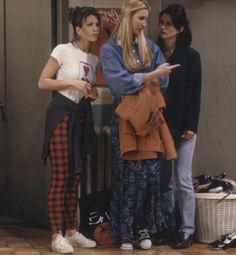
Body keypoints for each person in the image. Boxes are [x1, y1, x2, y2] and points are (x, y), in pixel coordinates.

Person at [100, 0, 179, 250]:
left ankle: (143, 227)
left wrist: (145, 80)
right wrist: (149, 77)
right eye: (141, 18)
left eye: (146, 19)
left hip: (151, 117)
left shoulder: (150, 47)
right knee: (127, 174)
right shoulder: (110, 49)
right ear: (128, 17)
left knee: (151, 176)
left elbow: (162, 84)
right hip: (125, 117)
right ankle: (124, 231)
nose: (146, 24)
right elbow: (117, 83)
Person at [38, 6, 101, 254]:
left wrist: (92, 93)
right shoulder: (62, 50)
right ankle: (56, 235)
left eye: (97, 24)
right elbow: (43, 82)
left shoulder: (94, 59)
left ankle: (72, 231)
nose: (95, 28)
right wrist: (72, 82)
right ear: (78, 28)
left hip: (81, 117)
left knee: (75, 177)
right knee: (60, 177)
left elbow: (85, 90)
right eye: (90, 24)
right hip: (61, 115)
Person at [156, 3, 202, 249]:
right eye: (161, 23)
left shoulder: (191, 56)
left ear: (180, 28)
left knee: (182, 178)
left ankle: (186, 230)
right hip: (159, 126)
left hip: (184, 127)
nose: (163, 28)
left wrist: (191, 125)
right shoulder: (155, 53)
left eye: (169, 24)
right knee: (163, 180)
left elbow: (195, 94)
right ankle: (167, 227)